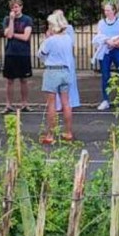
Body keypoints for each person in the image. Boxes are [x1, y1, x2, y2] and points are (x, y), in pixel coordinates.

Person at [37, 11, 79, 144]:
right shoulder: (67, 38)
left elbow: (41, 54)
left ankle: (50, 135)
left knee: (52, 104)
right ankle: (68, 132)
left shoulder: (50, 40)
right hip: (65, 71)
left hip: (52, 71)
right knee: (66, 102)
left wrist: (46, 39)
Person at [93, 2, 119, 111]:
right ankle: (105, 100)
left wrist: (116, 43)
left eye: (108, 10)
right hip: (105, 50)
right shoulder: (101, 23)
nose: (106, 12)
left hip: (117, 50)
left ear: (114, 11)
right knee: (105, 75)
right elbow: (99, 36)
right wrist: (107, 40)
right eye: (105, 10)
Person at [2, 0, 33, 114]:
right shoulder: (7, 19)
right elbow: (8, 35)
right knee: (9, 80)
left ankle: (24, 103)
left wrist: (13, 34)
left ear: (21, 7)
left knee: (23, 79)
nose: (15, 9)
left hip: (23, 53)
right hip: (11, 52)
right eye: (13, 7)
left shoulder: (27, 20)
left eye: (17, 6)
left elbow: (26, 37)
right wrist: (11, 20)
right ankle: (8, 104)